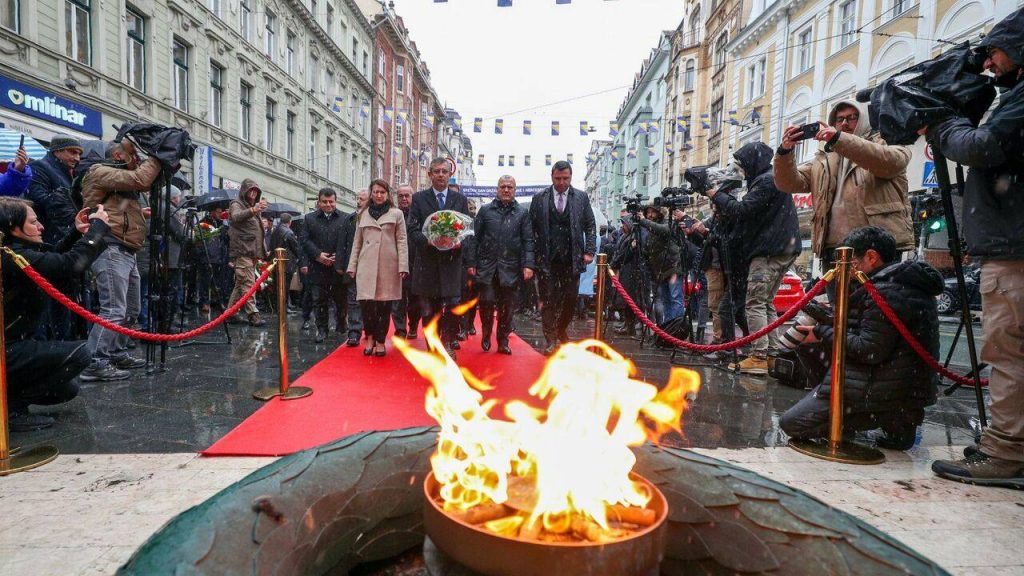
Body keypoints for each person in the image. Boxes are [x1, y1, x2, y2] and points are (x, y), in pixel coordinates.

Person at [927, 7, 1024, 488]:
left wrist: (943, 126)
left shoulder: (1022, 100)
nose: (990, 64)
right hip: (1012, 242)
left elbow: (983, 147)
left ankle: (1006, 453)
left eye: (996, 52)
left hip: (1015, 249)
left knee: (1008, 353)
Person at [780, 226, 940, 450]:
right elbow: (865, 330)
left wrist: (821, 333)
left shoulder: (884, 291)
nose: (843, 269)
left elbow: (869, 349)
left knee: (792, 424)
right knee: (812, 343)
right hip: (905, 386)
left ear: (871, 257)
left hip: (884, 388)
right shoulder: (896, 283)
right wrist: (825, 319)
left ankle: (854, 418)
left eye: (849, 262)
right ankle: (898, 420)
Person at [773, 100, 913, 300]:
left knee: (876, 312)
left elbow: (890, 162)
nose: (844, 123)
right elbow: (787, 182)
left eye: (851, 118)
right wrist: (785, 151)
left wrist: (839, 140)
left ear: (864, 119)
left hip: (874, 251)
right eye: (839, 119)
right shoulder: (824, 158)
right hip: (834, 251)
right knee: (839, 316)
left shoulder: (887, 142)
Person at [1, 198, 109, 430]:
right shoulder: (10, 258)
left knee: (67, 388)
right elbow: (68, 265)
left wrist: (76, 233)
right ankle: (9, 410)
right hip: (7, 349)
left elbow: (51, 263)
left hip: (13, 345)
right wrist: (98, 228)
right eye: (33, 222)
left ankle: (10, 398)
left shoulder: (12, 253)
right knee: (81, 353)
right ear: (13, 227)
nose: (40, 226)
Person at [709, 142, 801, 375]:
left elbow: (742, 211)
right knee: (766, 302)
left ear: (753, 163)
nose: (741, 171)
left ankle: (759, 356)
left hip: (768, 249)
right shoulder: (771, 179)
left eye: (743, 165)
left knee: (755, 303)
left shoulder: (766, 181)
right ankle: (770, 354)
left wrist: (716, 194)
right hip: (780, 247)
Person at [80, 140, 161, 382]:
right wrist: (157, 158)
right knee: (114, 308)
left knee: (131, 309)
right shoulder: (99, 171)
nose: (136, 159)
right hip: (110, 245)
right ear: (117, 154)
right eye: (133, 154)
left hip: (126, 249)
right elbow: (141, 179)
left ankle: (115, 351)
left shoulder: (118, 181)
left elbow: (137, 184)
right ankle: (95, 361)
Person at [529, 160, 596, 356]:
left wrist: (589, 251)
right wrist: (532, 258)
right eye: (557, 178)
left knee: (570, 299)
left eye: (565, 178)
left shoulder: (581, 198)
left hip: (572, 259)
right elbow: (531, 229)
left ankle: (560, 328)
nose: (561, 182)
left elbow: (590, 226)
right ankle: (550, 339)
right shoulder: (540, 198)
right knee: (548, 300)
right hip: (547, 259)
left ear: (570, 177)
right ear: (552, 177)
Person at [407, 158, 470, 357]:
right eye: (437, 171)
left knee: (452, 306)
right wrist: (429, 241)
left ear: (450, 175)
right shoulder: (418, 198)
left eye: (444, 171)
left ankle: (448, 342)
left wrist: (458, 242)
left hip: (451, 263)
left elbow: (467, 229)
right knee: (429, 310)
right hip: (427, 263)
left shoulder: (459, 199)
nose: (441, 175)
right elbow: (413, 230)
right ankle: (433, 345)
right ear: (430, 174)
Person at [473, 175, 535, 355]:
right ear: (497, 189)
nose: (506, 190)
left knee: (507, 307)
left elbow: (528, 240)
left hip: (511, 267)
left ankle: (503, 340)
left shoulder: (522, 213)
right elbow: (474, 238)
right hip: (487, 267)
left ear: (514, 190)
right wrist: (472, 262)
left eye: (510, 187)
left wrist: (528, 264)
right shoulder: (485, 211)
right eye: (503, 187)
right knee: (487, 301)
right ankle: (486, 333)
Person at [346, 179, 408, 356]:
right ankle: (370, 337)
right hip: (366, 265)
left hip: (388, 266)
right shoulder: (363, 214)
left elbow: (402, 241)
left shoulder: (396, 214)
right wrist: (352, 266)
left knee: (384, 307)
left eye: (382, 192)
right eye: (375, 192)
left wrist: (403, 265)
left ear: (387, 194)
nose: (379, 195)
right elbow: (356, 243)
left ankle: (381, 341)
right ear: (371, 193)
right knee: (367, 305)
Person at [298, 188, 347, 343]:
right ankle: (322, 330)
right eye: (324, 202)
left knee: (340, 300)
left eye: (331, 201)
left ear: (335, 201)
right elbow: (304, 241)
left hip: (337, 266)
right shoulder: (309, 219)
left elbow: (348, 241)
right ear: (319, 202)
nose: (328, 205)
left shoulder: (345, 218)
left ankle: (341, 323)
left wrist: (338, 255)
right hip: (317, 267)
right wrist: (318, 255)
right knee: (319, 301)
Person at [26, 134, 83, 244]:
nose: (77, 158)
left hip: (61, 234)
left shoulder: (69, 172)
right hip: (48, 235)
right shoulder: (40, 166)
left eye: (79, 154)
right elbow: (37, 197)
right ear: (57, 151)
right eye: (73, 152)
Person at [226, 178, 268, 327]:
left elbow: (257, 231)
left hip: (250, 252)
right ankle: (253, 315)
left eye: (256, 190)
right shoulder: (236, 204)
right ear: (244, 190)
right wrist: (253, 210)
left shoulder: (251, 207)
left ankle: (230, 313)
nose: (254, 193)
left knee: (240, 284)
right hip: (243, 251)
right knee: (248, 285)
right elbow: (236, 217)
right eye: (251, 190)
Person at [636, 205, 683, 325]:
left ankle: (677, 328)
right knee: (666, 300)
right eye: (648, 213)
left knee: (675, 298)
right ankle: (669, 328)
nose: (650, 215)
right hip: (660, 271)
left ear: (659, 213)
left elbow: (664, 230)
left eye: (653, 212)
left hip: (672, 268)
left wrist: (644, 221)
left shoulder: (667, 223)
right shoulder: (650, 230)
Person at [333, 189, 366, 345]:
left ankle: (368, 327)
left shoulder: (373, 218)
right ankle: (354, 331)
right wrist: (340, 264)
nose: (359, 201)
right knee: (353, 300)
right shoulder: (349, 219)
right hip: (352, 266)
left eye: (362, 199)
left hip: (368, 266)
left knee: (368, 300)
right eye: (358, 198)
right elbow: (342, 242)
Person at [391, 184, 420, 339]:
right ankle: (400, 329)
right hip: (396, 263)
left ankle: (414, 325)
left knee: (415, 300)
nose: (403, 199)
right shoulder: (393, 214)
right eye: (400, 196)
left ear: (412, 197)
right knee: (397, 299)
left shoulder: (418, 214)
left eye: (406, 195)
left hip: (416, 263)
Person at [194, 206, 230, 313]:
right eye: (218, 212)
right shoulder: (203, 223)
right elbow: (198, 240)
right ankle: (204, 302)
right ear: (212, 212)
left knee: (219, 281)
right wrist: (202, 253)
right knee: (205, 280)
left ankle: (218, 300)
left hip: (219, 256)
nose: (220, 214)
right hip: (207, 256)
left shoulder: (222, 224)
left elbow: (225, 240)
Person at [270, 212, 301, 310]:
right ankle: (283, 307)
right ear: (290, 221)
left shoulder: (275, 231)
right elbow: (296, 248)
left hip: (276, 261)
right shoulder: (289, 232)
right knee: (285, 287)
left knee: (277, 286)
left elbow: (272, 245)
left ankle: (279, 306)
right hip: (286, 263)